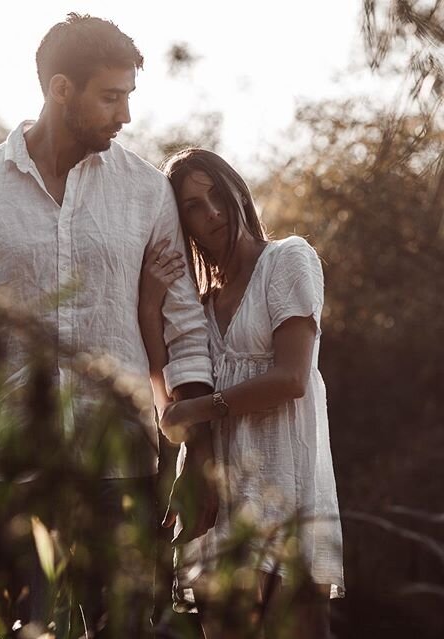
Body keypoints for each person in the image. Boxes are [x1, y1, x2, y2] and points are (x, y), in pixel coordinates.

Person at [0, 14, 217, 639]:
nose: (125, 115)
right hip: (8, 469)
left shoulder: (146, 192)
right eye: (111, 97)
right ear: (59, 89)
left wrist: (193, 457)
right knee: (25, 630)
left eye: (129, 96)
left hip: (123, 467)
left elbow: (183, 324)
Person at [139, 148, 345, 638]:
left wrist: (200, 407)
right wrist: (150, 305)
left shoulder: (288, 259)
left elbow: (291, 379)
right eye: (192, 205)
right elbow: (166, 401)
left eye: (216, 194)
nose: (210, 212)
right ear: (180, 221)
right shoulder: (196, 306)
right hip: (217, 497)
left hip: (283, 484)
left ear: (238, 192)